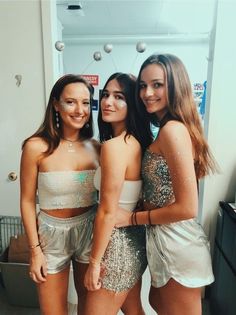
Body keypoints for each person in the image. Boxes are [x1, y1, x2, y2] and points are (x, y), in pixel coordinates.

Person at [115, 54, 218, 315]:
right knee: (158, 302)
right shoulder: (168, 127)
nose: (147, 93)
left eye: (157, 85)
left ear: (175, 86)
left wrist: (132, 218)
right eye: (142, 86)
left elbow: (187, 208)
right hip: (163, 238)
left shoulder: (173, 130)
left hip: (176, 241)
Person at [20, 74, 100, 315]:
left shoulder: (97, 148)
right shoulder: (35, 147)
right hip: (50, 235)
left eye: (85, 103)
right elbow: (25, 201)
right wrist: (34, 251)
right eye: (71, 102)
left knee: (91, 310)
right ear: (56, 104)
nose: (79, 110)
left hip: (90, 230)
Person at [84, 72, 152, 315]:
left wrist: (94, 263)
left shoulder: (115, 147)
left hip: (115, 248)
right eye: (105, 95)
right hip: (134, 240)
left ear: (132, 104)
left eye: (118, 97)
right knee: (134, 310)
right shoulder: (137, 142)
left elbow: (107, 211)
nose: (107, 102)